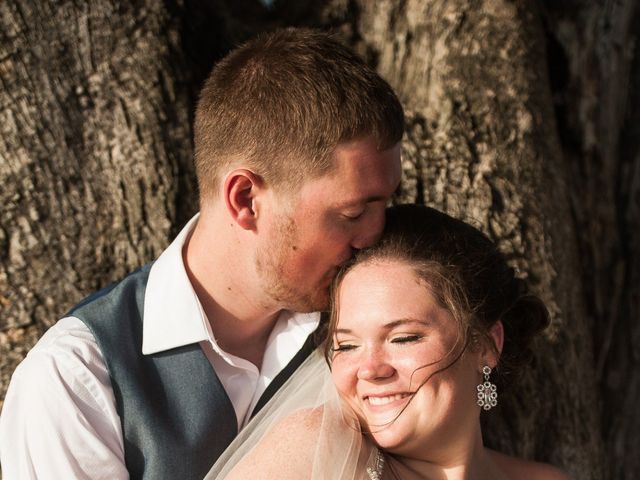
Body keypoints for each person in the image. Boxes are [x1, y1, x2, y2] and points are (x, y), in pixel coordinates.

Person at [0, 28, 404, 479]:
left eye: (383, 205)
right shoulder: (75, 380)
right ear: (246, 199)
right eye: (351, 213)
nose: (375, 234)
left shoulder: (375, 329)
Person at [208, 204, 572, 480]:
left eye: (403, 338)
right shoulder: (315, 450)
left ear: (486, 346)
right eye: (347, 345)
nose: (369, 369)